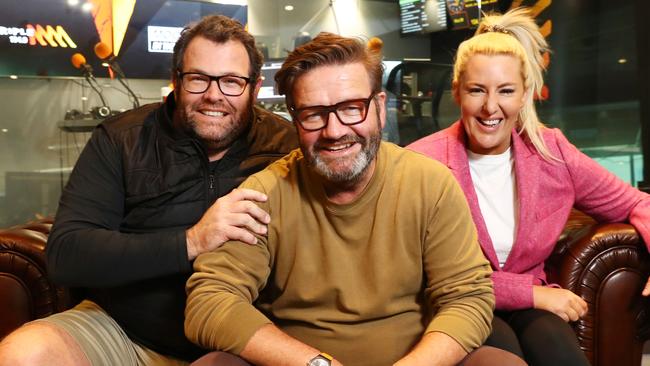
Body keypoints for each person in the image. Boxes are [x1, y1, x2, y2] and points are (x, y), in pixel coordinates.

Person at [184, 32, 527, 366]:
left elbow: (468, 297)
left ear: (379, 107)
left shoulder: (430, 184)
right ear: (295, 118)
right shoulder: (265, 193)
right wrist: (316, 363)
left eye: (351, 108)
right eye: (314, 113)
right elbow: (210, 300)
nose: (334, 131)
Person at [0, 15, 298, 365]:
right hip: (125, 331)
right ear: (176, 80)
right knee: (23, 354)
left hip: (242, 337)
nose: (214, 95)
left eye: (232, 81)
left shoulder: (287, 146)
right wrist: (192, 241)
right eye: (198, 79)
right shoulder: (122, 138)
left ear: (253, 85)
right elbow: (66, 255)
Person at [407, 7, 650, 366]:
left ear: (524, 95)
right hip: (456, 304)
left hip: (532, 302)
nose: (491, 107)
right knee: (506, 357)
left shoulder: (552, 152)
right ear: (457, 92)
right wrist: (531, 294)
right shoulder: (419, 162)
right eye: (477, 90)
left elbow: (637, 203)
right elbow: (425, 274)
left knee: (562, 355)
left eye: (506, 91)